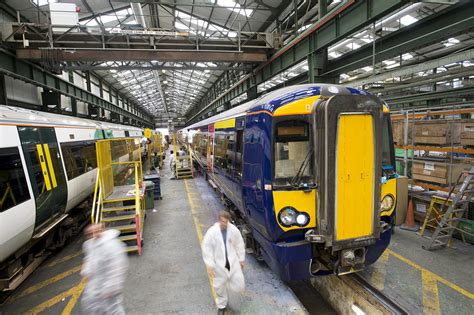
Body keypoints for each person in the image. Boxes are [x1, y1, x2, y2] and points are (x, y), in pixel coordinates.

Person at [202, 211, 246, 314]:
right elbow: (207, 248)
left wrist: (241, 259)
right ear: (219, 220)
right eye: (222, 221)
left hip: (233, 262)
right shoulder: (212, 232)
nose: (224, 224)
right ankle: (221, 306)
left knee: (239, 284)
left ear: (228, 221)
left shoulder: (233, 230)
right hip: (218, 265)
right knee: (219, 286)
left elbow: (239, 244)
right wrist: (210, 264)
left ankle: (230, 294)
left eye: (226, 222)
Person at [81, 224, 129, 315]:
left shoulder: (112, 245)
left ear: (102, 230)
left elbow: (118, 266)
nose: (94, 235)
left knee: (114, 311)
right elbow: (89, 260)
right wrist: (86, 271)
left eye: (96, 231)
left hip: (109, 289)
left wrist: (112, 287)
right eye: (90, 233)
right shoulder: (90, 245)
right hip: (96, 288)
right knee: (97, 310)